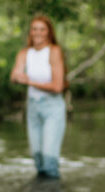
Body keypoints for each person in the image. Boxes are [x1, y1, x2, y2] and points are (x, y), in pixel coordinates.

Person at [10, 15, 67, 179]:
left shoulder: (54, 51)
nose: (38, 33)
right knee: (38, 160)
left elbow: (58, 86)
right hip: (33, 108)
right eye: (35, 29)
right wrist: (17, 77)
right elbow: (15, 75)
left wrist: (29, 81)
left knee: (49, 161)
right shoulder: (24, 53)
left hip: (52, 108)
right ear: (30, 32)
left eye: (42, 29)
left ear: (49, 32)